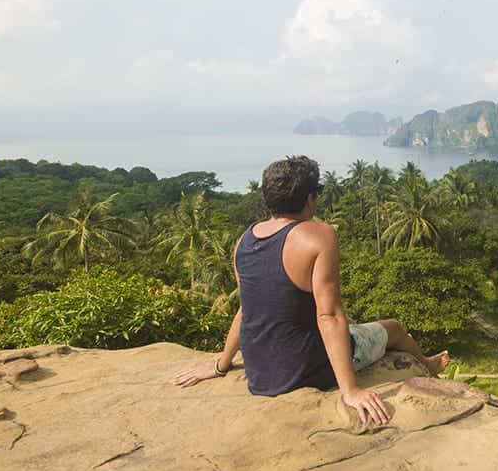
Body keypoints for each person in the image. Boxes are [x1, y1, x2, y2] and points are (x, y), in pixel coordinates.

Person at [172, 155, 449, 426]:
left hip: (260, 376)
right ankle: (428, 364)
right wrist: (350, 391)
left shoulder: (245, 239)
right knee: (394, 328)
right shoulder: (320, 235)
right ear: (310, 199)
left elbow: (246, 308)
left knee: (353, 324)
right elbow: (328, 315)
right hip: (306, 370)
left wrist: (221, 365)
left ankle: (425, 362)